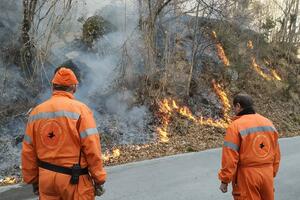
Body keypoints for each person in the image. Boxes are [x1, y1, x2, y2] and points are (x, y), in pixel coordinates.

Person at [22, 66, 107, 199]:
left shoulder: (36, 112)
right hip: (74, 180)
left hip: (46, 181)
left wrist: (32, 179)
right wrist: (99, 178)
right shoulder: (81, 110)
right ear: (74, 87)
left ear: (53, 87)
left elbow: (28, 150)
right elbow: (92, 147)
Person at [218, 93, 281, 200]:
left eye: (234, 107)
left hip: (247, 176)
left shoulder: (236, 126)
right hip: (267, 174)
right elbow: (276, 153)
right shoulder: (268, 123)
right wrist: (272, 172)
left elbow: (230, 157)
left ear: (238, 106)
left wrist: (225, 180)